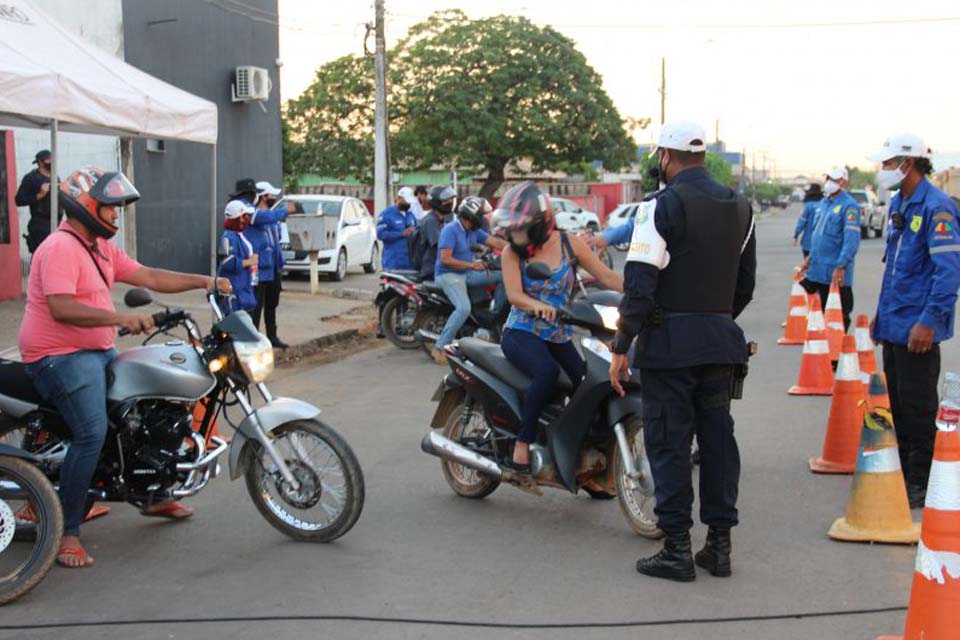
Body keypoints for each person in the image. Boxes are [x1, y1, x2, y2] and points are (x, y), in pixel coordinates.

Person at [18, 167, 231, 568]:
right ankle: (66, 533)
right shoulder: (60, 247)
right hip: (59, 355)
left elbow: (147, 276)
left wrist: (204, 281)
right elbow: (61, 307)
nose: (116, 215)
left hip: (97, 349)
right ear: (84, 206)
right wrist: (120, 319)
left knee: (143, 415)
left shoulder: (100, 248)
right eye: (109, 207)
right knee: (92, 433)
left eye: (118, 208)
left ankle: (153, 494)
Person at [608, 121, 756, 582]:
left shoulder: (659, 206)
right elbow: (745, 285)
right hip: (720, 343)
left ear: (665, 157)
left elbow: (640, 285)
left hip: (670, 348)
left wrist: (622, 343)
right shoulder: (741, 207)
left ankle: (677, 550)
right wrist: (712, 318)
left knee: (669, 443)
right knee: (717, 443)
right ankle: (719, 547)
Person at [496, 181, 623, 471]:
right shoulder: (511, 253)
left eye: (521, 228)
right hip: (521, 331)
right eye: (513, 228)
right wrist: (538, 306)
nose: (515, 235)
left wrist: (641, 292)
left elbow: (606, 276)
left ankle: (577, 440)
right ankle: (522, 442)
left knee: (586, 380)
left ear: (541, 223)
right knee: (547, 372)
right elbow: (514, 295)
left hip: (559, 334)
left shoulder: (570, 244)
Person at [868, 132, 960, 508]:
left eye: (888, 163)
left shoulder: (938, 207)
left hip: (918, 329)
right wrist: (880, 316)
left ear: (908, 164)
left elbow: (948, 273)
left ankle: (920, 481)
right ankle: (904, 472)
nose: (883, 169)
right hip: (894, 324)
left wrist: (929, 322)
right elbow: (894, 268)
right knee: (898, 404)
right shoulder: (899, 204)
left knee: (918, 407)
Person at [433, 197, 507, 364]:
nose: (482, 220)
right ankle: (440, 346)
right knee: (463, 308)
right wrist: (472, 265)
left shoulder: (472, 231)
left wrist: (518, 247)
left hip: (467, 273)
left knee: (505, 275)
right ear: (471, 217)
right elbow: (445, 259)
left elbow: (495, 242)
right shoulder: (450, 230)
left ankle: (495, 315)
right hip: (449, 275)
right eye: (480, 216)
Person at [800, 167, 861, 332]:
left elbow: (851, 241)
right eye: (828, 178)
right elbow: (818, 236)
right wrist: (809, 259)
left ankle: (837, 347)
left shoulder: (849, 206)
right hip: (818, 271)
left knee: (838, 317)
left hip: (836, 273)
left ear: (843, 182)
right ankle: (823, 346)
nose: (829, 183)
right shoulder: (824, 203)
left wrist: (841, 266)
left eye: (834, 179)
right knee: (820, 315)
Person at [241, 179, 289, 348]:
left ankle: (272, 337)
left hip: (274, 268)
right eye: (271, 196)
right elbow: (265, 217)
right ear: (262, 197)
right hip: (260, 270)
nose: (273, 198)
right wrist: (286, 210)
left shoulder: (271, 216)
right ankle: (253, 339)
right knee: (256, 306)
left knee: (272, 304)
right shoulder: (254, 215)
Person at [218, 199, 259, 314]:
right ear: (238, 218)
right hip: (236, 293)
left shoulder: (239, 235)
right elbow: (227, 262)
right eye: (244, 216)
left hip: (245, 291)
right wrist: (249, 261)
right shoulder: (229, 238)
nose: (247, 219)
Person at [15, 149, 60, 254]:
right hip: (40, 225)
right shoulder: (30, 178)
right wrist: (39, 195)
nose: (52, 162)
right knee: (40, 255)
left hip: (56, 223)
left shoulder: (55, 177)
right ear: (41, 162)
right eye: (49, 160)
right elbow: (19, 200)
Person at [415, 185, 457, 281]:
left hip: (444, 268)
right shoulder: (430, 221)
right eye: (446, 201)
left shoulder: (443, 219)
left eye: (451, 200)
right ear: (436, 202)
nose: (450, 203)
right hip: (432, 270)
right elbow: (441, 244)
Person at [377, 188, 417, 270]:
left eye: (409, 202)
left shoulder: (410, 215)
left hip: (409, 263)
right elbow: (380, 234)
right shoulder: (386, 214)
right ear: (399, 198)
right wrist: (401, 234)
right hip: (393, 263)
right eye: (406, 201)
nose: (408, 204)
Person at [793, 183, 823, 257]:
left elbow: (801, 222)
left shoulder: (807, 206)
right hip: (823, 242)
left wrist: (796, 235)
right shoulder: (825, 205)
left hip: (808, 242)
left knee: (807, 262)